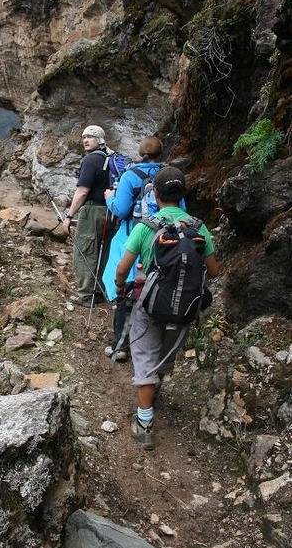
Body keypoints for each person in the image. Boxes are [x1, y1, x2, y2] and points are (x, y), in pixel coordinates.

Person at [115, 167, 219, 451]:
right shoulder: (198, 228)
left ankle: (145, 423)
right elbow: (214, 270)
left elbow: (122, 268)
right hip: (185, 307)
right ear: (182, 194)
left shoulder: (146, 227)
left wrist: (121, 287)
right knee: (165, 354)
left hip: (150, 304)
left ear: (156, 194)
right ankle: (155, 388)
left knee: (144, 356)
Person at [102, 136, 165, 361]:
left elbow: (120, 209)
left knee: (127, 290)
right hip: (162, 239)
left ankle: (120, 346)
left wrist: (109, 198)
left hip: (131, 235)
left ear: (140, 152)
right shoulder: (167, 175)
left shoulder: (130, 175)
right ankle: (152, 346)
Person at [61, 125, 114, 307]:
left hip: (92, 211)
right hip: (109, 212)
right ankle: (99, 290)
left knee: (85, 250)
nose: (85, 140)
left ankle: (86, 295)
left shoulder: (91, 160)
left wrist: (69, 216)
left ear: (99, 140)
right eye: (84, 137)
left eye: (90, 137)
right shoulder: (110, 159)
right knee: (103, 251)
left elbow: (82, 191)